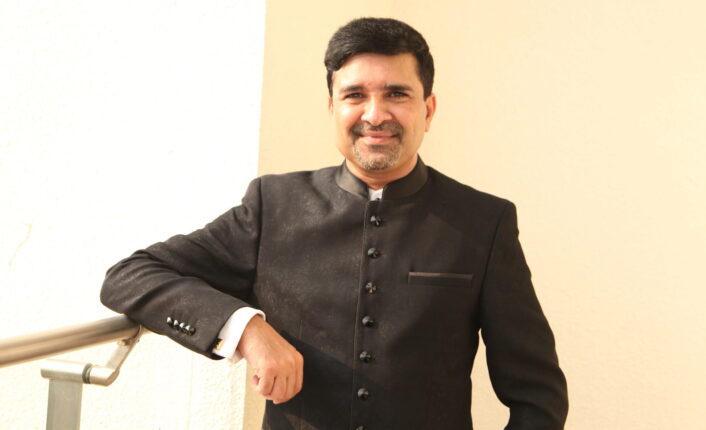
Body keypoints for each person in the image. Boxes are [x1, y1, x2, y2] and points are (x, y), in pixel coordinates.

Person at [101, 17, 568, 429]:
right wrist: (247, 328)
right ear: (332, 107)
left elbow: (538, 397)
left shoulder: (484, 221)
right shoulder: (273, 205)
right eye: (355, 95)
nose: (374, 115)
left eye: (396, 94)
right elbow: (130, 276)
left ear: (428, 109)